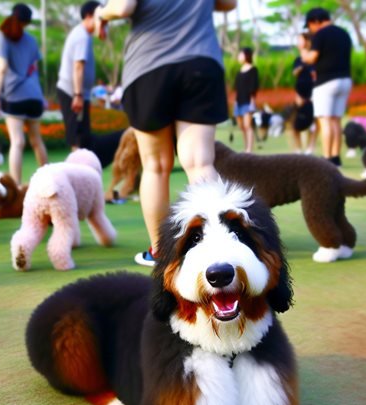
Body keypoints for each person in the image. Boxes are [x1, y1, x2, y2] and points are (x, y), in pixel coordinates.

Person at [95, 0, 237, 267]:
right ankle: (218, 248)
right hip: (201, 61)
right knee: (200, 163)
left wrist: (101, 13)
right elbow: (229, 3)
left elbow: (123, 7)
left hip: (150, 66)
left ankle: (162, 254)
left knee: (155, 166)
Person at [0, 3, 48, 184]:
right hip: (34, 97)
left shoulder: (4, 37)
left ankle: (15, 187)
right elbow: (34, 69)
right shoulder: (32, 40)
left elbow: (2, 68)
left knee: (17, 142)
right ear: (28, 22)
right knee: (37, 141)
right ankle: (49, 181)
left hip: (14, 95)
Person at [300, 7, 352, 166]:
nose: (310, 30)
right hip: (345, 81)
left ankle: (327, 158)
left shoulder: (321, 34)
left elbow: (311, 58)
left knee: (325, 121)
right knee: (336, 120)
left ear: (315, 21)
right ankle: (336, 157)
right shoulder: (345, 33)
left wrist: (302, 48)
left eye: (310, 25)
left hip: (326, 82)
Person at [57, 2, 101, 151]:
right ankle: (77, 170)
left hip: (78, 94)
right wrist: (78, 95)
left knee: (83, 136)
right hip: (73, 93)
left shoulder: (84, 35)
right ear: (89, 16)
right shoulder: (82, 36)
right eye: (99, 16)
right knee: (76, 137)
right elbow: (78, 66)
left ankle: (81, 169)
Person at [289, 33, 317, 154]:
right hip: (300, 95)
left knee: (315, 123)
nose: (298, 42)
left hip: (313, 94)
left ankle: (310, 147)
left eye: (300, 40)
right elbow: (294, 73)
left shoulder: (314, 59)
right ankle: (298, 148)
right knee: (296, 123)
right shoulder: (297, 60)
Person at [234, 47, 259, 154]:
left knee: (248, 125)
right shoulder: (239, 71)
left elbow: (254, 86)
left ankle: (249, 149)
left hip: (248, 101)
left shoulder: (253, 70)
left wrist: (253, 101)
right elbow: (237, 87)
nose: (239, 57)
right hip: (238, 101)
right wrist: (235, 101)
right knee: (241, 126)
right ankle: (245, 147)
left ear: (246, 55)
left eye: (241, 54)